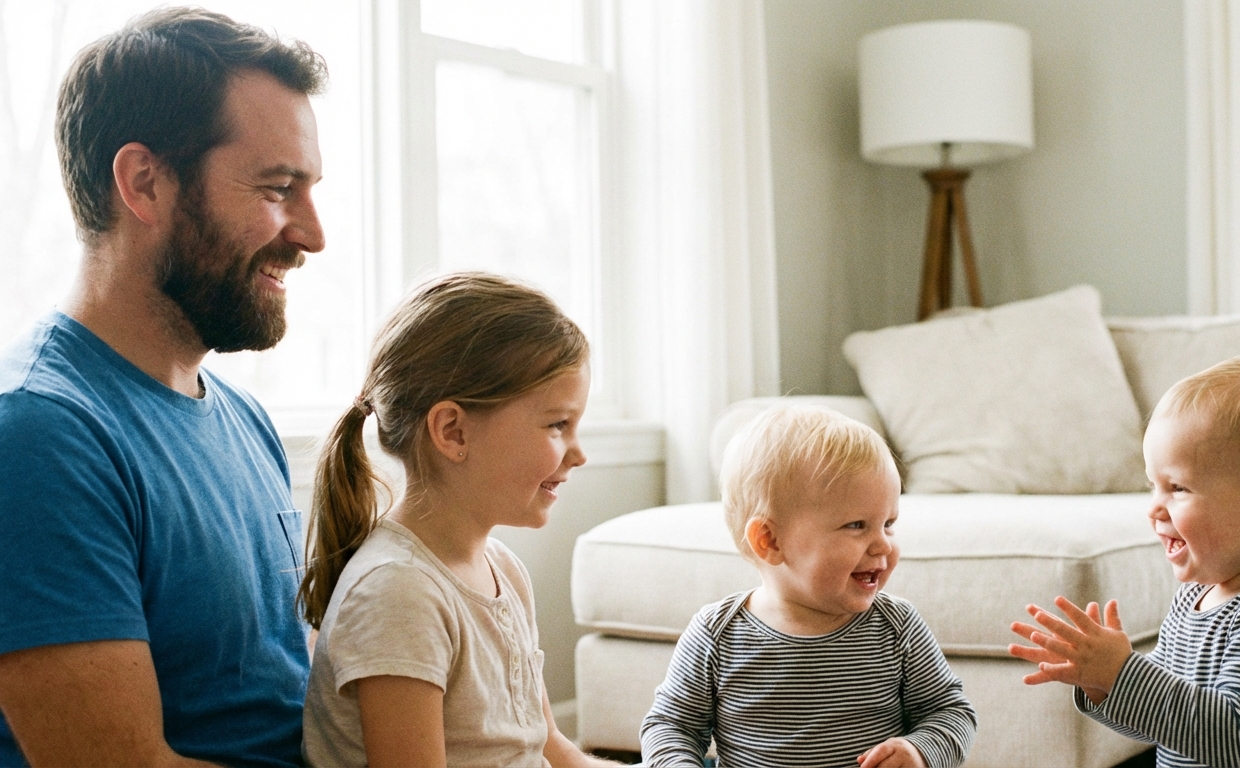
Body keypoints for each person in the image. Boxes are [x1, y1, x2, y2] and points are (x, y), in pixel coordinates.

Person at [0, 7, 328, 766]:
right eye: (280, 188)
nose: (313, 234)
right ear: (145, 183)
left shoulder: (242, 417)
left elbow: (286, 686)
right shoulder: (38, 435)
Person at [299, 272, 622, 767]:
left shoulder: (503, 568)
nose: (578, 454)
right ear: (453, 432)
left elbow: (548, 746)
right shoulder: (399, 592)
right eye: (558, 424)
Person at [1009, 353, 1240, 765]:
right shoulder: (1194, 597)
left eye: (1177, 487)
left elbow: (1234, 738)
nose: (1154, 508)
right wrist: (1103, 684)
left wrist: (1123, 673)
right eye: (1152, 486)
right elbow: (1166, 720)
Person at [640, 406, 977, 768]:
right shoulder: (717, 635)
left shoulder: (897, 627)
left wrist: (921, 751)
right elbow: (670, 725)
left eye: (889, 523)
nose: (883, 545)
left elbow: (951, 711)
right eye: (857, 525)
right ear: (770, 540)